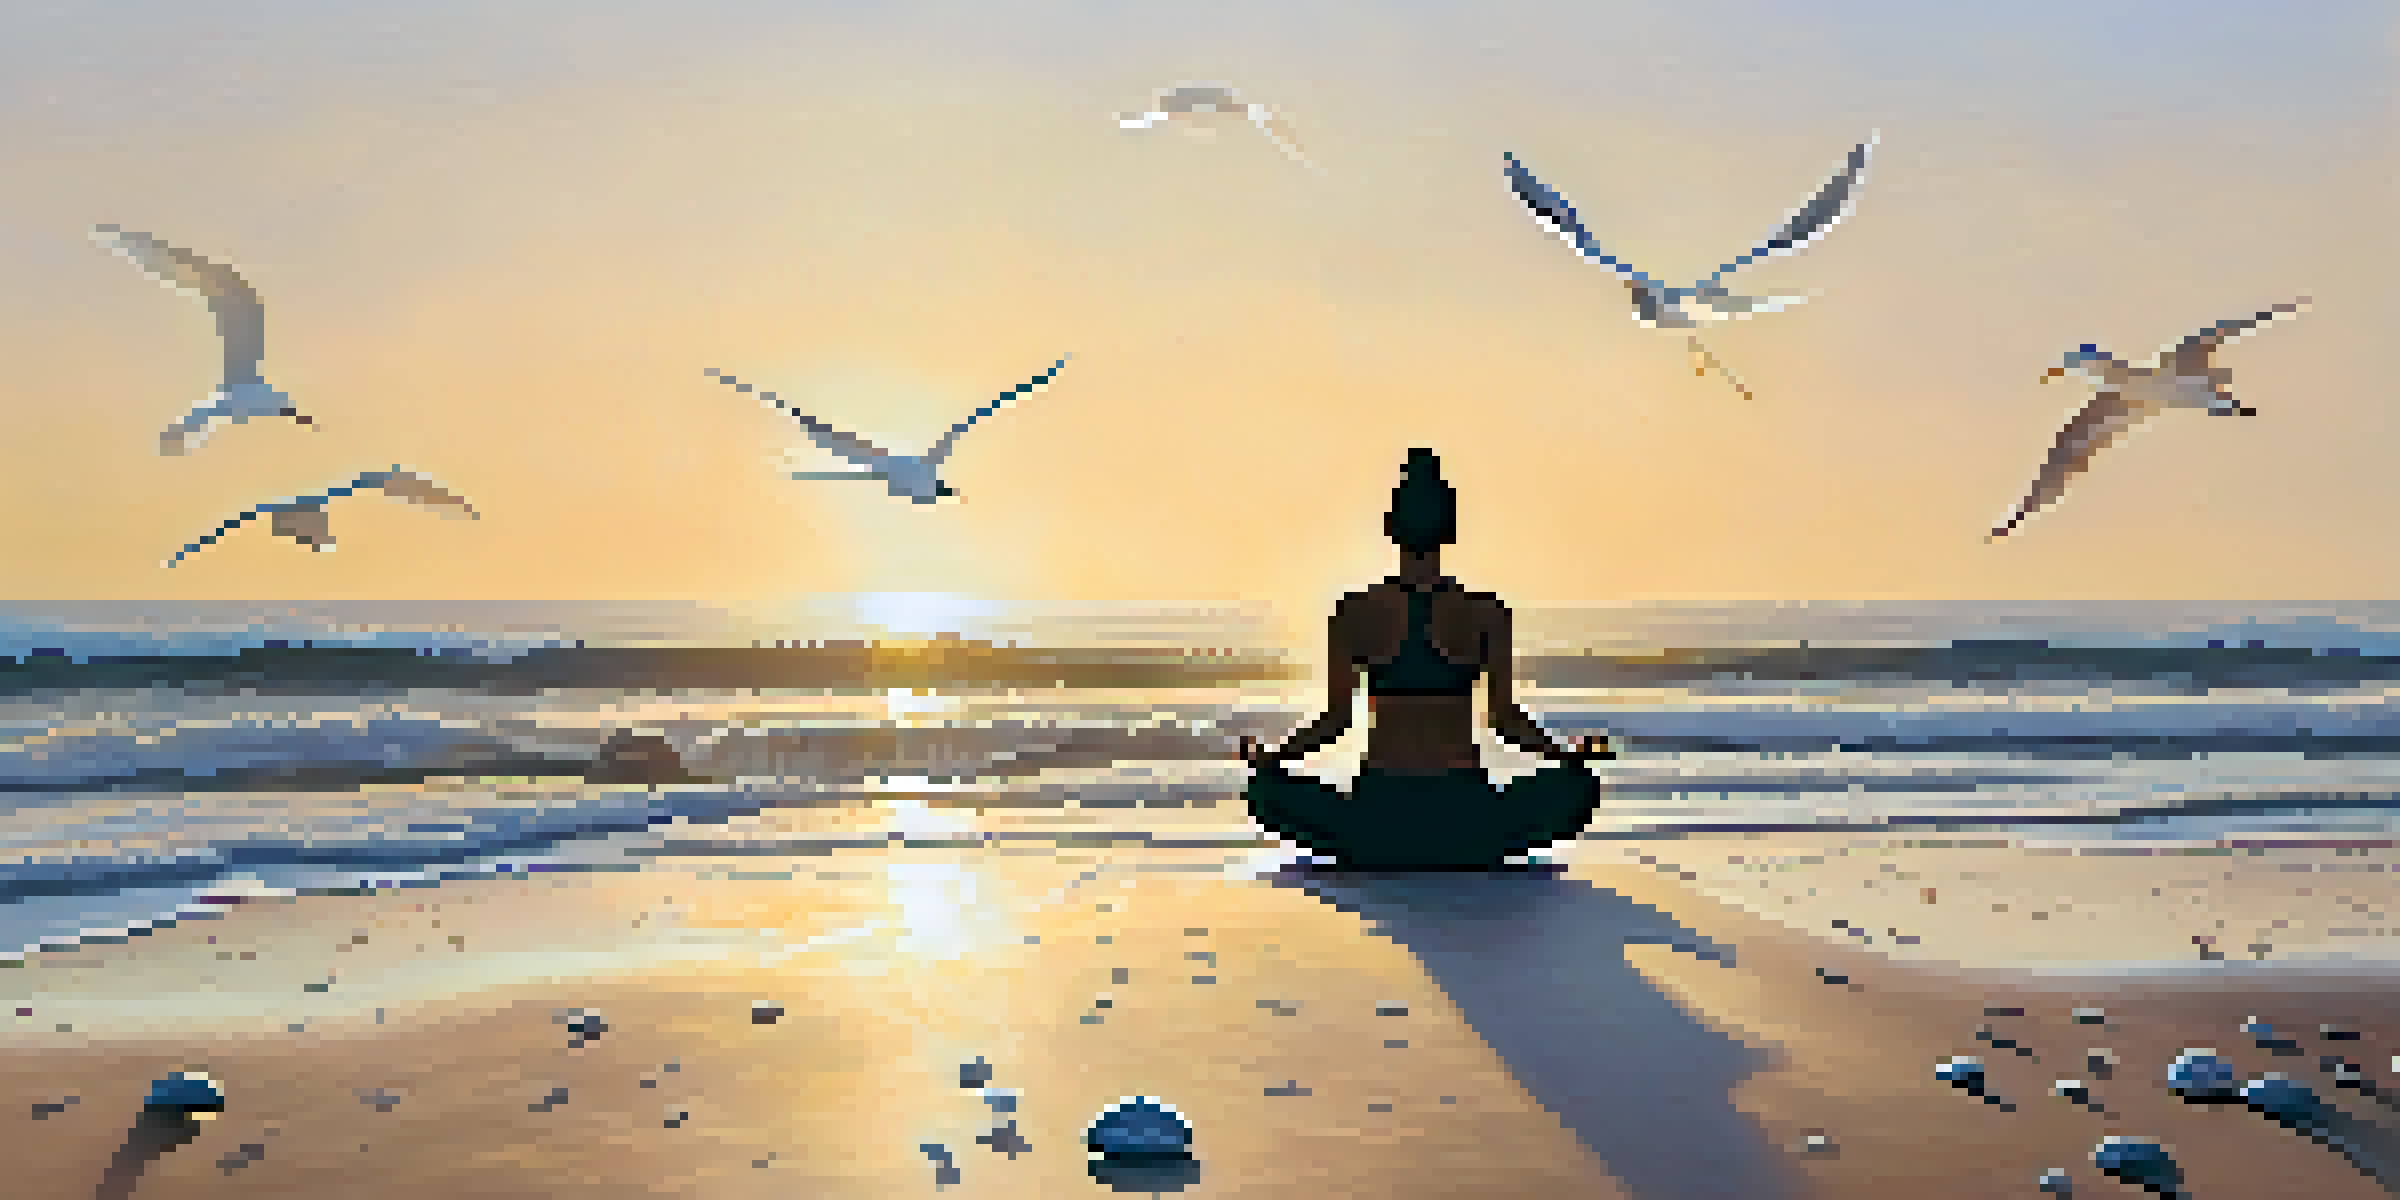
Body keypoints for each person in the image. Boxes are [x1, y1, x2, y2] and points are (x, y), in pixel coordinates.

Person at [1240, 448, 1610, 869]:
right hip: (1467, 821)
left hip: (1379, 820)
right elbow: (1504, 721)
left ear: (1390, 528)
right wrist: (1566, 755)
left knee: (1267, 789)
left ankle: (1381, 844)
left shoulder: (1356, 612)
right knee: (1576, 785)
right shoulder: (1484, 613)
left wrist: (1274, 759)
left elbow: (1336, 721)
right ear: (1449, 528)